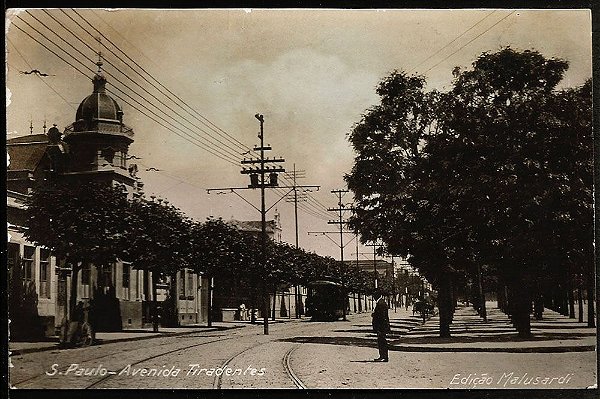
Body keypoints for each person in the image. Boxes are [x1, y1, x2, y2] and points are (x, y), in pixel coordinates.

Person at [371, 289, 390, 362]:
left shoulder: (381, 303)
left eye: (374, 296)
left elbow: (382, 316)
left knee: (382, 342)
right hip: (381, 326)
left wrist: (375, 315)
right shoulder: (381, 302)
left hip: (381, 326)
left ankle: (384, 357)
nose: (373, 297)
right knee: (381, 341)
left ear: (376, 296)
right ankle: (382, 356)